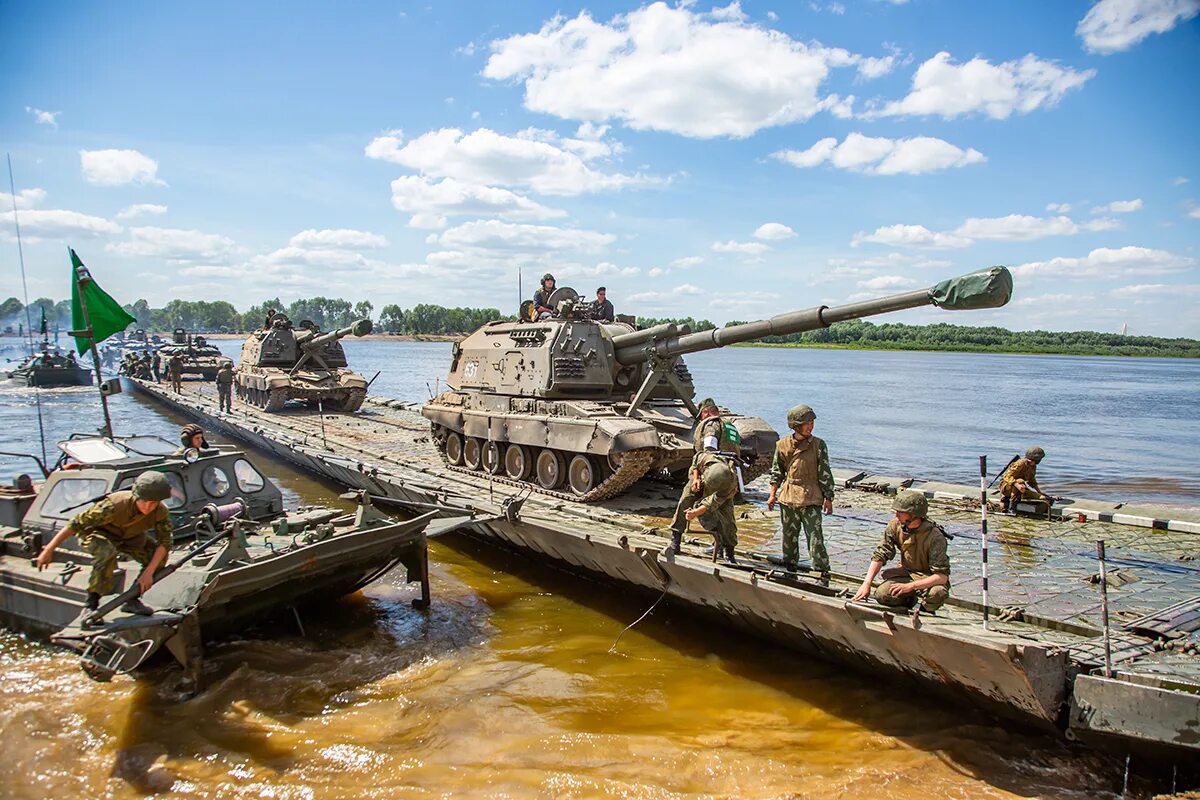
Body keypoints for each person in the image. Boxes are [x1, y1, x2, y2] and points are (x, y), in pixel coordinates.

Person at [34, 471, 173, 621]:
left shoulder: (160, 511)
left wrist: (148, 573)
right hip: (98, 535)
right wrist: (49, 549)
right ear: (136, 496)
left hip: (129, 537)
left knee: (158, 556)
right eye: (144, 501)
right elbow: (75, 524)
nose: (148, 507)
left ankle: (132, 599)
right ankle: (90, 604)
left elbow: (164, 542)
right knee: (106, 551)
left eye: (154, 503)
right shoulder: (112, 506)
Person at [852, 490, 950, 614]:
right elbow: (881, 554)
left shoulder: (935, 537)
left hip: (929, 578)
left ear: (914, 514)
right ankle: (908, 601)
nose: (897, 515)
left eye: (901, 512)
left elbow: (942, 577)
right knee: (882, 595)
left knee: (938, 593)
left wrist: (910, 586)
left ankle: (925, 611)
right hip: (908, 574)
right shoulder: (895, 526)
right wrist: (866, 584)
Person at [766, 404, 835, 579]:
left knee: (815, 536)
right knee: (789, 536)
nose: (810, 426)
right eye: (806, 423)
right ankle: (790, 567)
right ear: (796, 425)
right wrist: (772, 495)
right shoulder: (782, 445)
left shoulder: (818, 445)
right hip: (788, 496)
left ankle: (821, 570)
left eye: (811, 422)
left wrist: (829, 497)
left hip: (811, 496)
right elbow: (777, 472)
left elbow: (824, 472)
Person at [665, 450, 739, 562]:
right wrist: (695, 478)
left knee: (727, 518)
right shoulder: (706, 459)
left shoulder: (730, 484)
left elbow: (711, 503)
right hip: (701, 479)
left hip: (721, 492)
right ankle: (675, 540)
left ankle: (728, 551)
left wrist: (695, 512)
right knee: (685, 500)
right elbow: (695, 460)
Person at [999, 446, 1048, 513]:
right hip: (1007, 487)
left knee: (1042, 497)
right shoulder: (1020, 463)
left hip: (1021, 489)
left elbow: (1031, 480)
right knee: (1020, 481)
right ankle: (1012, 508)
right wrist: (1016, 484)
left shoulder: (1032, 466)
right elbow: (1007, 476)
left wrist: (1039, 491)